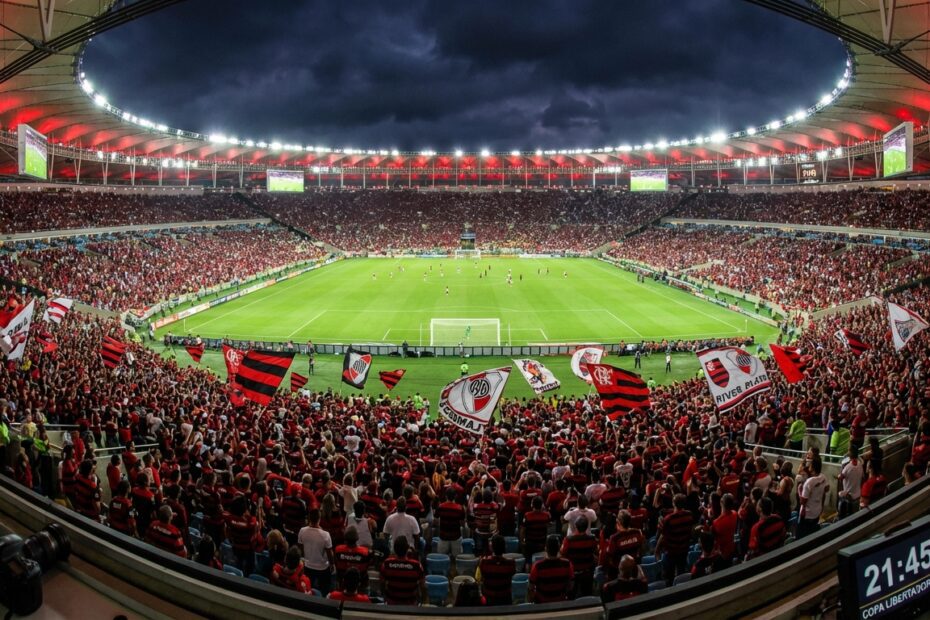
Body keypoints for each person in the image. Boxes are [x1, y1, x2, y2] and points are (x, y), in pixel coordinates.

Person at [656, 493, 694, 584]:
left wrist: (656, 550)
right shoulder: (689, 515)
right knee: (681, 573)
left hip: (671, 552)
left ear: (673, 504)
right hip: (684, 550)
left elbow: (660, 535)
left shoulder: (668, 519)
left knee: (669, 576)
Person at [298, 508, 334, 595]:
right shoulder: (326, 534)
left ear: (309, 518)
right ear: (319, 519)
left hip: (307, 565)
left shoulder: (302, 531)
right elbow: (330, 554)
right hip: (322, 567)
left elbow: (300, 548)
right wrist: (332, 564)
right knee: (325, 588)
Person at [380, 536, 425, 605]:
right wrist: (422, 600)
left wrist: (385, 596)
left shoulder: (387, 563)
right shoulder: (416, 565)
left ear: (394, 549)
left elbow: (382, 583)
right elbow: (422, 586)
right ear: (407, 549)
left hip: (391, 603)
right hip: (410, 604)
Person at [528, 535, 573, 603]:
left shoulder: (537, 566)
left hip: (541, 602)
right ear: (559, 548)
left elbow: (531, 587)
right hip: (561, 601)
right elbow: (571, 585)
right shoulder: (567, 564)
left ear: (546, 548)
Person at [560, 516, 597, 597]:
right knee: (587, 595)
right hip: (588, 572)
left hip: (573, 572)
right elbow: (595, 551)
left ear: (576, 527)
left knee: (572, 595)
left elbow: (563, 553)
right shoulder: (592, 538)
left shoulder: (568, 540)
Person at [477, 534, 516, 606]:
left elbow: (482, 577)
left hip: (488, 599)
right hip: (505, 599)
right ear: (504, 547)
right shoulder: (511, 563)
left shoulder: (483, 562)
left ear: (492, 547)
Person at [334, 526, 371, 592]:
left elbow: (336, 564)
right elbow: (367, 567)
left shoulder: (338, 549)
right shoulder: (365, 552)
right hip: (360, 584)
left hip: (342, 583)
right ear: (357, 538)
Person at [798, 458, 826, 538]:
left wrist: (800, 490)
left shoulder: (809, 482)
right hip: (817, 511)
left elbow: (803, 502)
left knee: (801, 536)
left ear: (812, 467)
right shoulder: (823, 477)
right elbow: (826, 489)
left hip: (807, 514)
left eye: (809, 464)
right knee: (812, 533)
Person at [435, 488, 466, 559]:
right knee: (457, 558)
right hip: (456, 537)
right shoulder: (460, 508)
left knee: (441, 558)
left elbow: (435, 522)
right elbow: (463, 524)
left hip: (443, 536)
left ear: (446, 496)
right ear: (455, 496)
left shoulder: (440, 507)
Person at [837, 444, 863, 518]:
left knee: (840, 495)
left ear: (851, 453)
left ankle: (841, 516)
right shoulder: (860, 464)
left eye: (848, 451)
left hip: (849, 495)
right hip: (858, 494)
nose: (847, 452)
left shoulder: (848, 467)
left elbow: (840, 477)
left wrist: (842, 468)